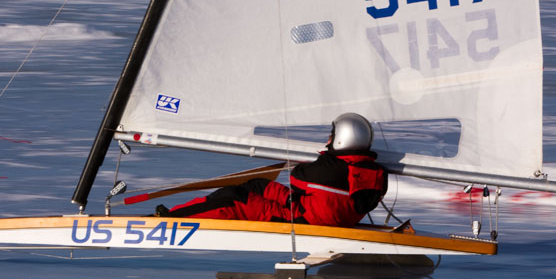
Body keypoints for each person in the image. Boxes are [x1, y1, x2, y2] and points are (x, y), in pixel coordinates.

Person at [155, 113, 388, 228]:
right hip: (317, 211)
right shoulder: (377, 173)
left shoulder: (330, 168)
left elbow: (297, 178)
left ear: (341, 139)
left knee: (232, 197)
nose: (327, 140)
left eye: (331, 136)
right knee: (257, 185)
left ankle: (171, 219)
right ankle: (178, 213)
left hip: (302, 219)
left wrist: (316, 159)